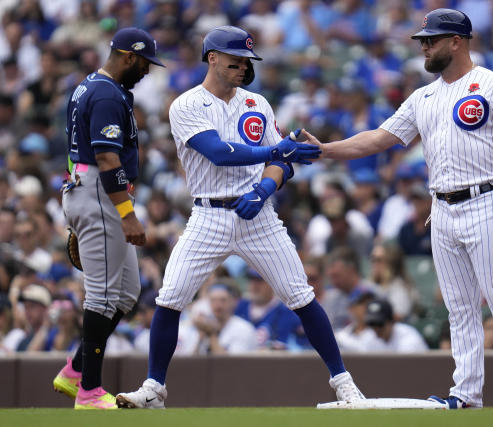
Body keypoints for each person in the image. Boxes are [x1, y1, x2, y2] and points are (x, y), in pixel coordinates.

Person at [303, 8, 493, 409]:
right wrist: (327, 149)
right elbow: (380, 138)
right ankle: (466, 393)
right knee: (459, 306)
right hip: (442, 205)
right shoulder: (424, 96)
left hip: (485, 199)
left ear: (457, 41)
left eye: (432, 39)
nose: (425, 46)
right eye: (423, 40)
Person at [115, 26, 364, 409]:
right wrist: (275, 151)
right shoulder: (186, 104)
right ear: (211, 57)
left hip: (257, 214)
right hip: (209, 212)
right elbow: (219, 152)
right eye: (235, 58)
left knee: (301, 296)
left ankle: (345, 385)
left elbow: (282, 163)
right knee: (170, 298)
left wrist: (265, 188)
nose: (243, 66)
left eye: (247, 60)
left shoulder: (257, 103)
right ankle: (153, 389)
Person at [51, 27, 165, 410]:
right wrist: (127, 213)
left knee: (128, 291)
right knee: (101, 295)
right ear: (129, 56)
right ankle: (89, 391)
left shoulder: (94, 86)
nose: (148, 70)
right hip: (100, 191)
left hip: (93, 189)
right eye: (146, 62)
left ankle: (75, 371)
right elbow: (106, 157)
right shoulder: (104, 93)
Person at [363, 298, 428, 353]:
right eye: (372, 324)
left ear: (392, 321)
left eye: (379, 324)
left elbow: (402, 365)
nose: (376, 328)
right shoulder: (369, 336)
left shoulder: (408, 337)